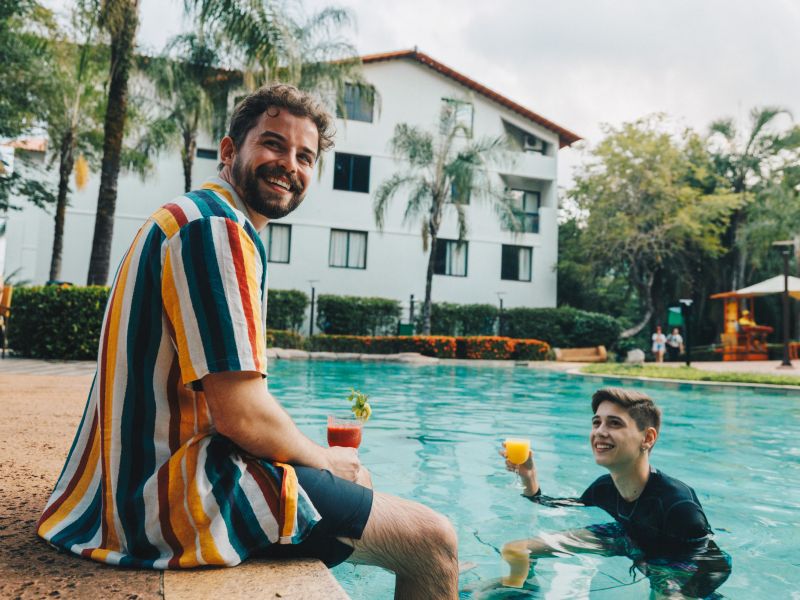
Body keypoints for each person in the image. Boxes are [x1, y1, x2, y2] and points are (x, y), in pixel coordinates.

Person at [37, 84, 459, 598]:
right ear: (229, 151)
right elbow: (241, 416)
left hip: (112, 493)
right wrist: (324, 460)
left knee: (356, 483)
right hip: (164, 503)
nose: (289, 165)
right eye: (273, 144)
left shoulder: (192, 215)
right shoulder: (216, 230)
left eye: (305, 156)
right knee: (434, 541)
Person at [499, 388, 731, 599]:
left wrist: (682, 594)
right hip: (622, 536)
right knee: (517, 550)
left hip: (668, 564)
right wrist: (529, 475)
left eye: (614, 424)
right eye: (596, 423)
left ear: (647, 438)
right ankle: (522, 592)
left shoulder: (677, 504)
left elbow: (715, 566)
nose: (600, 432)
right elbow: (554, 505)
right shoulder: (603, 488)